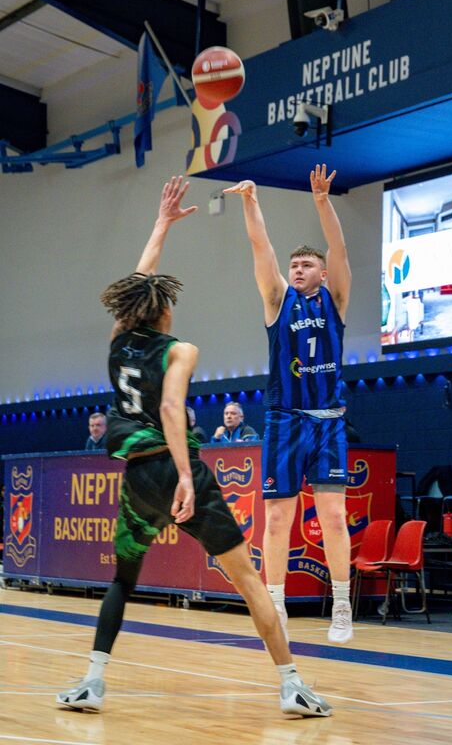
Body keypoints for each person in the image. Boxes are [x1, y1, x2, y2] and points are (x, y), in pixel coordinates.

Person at [56, 175, 331, 718]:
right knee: (247, 577)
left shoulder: (117, 341)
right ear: (164, 311)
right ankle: (291, 684)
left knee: (121, 581)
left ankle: (93, 679)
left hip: (136, 479)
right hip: (176, 473)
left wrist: (161, 223)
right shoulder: (180, 350)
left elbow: (140, 277)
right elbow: (169, 411)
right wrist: (186, 475)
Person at [224, 164, 353, 645]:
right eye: (294, 265)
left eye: (305, 266)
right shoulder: (279, 300)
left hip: (329, 422)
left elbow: (339, 249)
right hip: (283, 420)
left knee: (334, 516)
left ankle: (341, 605)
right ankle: (273, 603)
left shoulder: (335, 299)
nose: (297, 270)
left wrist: (323, 202)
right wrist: (250, 202)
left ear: (321, 273)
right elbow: (263, 249)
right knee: (278, 518)